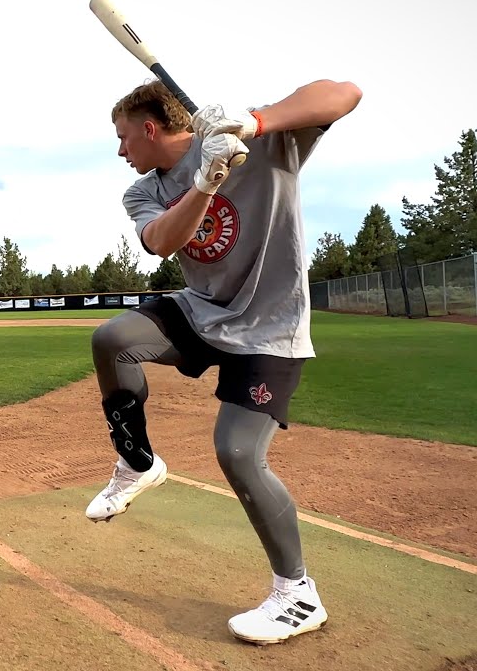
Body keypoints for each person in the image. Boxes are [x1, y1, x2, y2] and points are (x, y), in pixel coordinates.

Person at [87, 77, 362, 645]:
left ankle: (297, 594)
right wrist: (208, 182)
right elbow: (163, 241)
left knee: (237, 453)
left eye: (122, 138)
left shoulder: (260, 144)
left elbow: (345, 92)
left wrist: (254, 122)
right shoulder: (143, 191)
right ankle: (137, 463)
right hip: (203, 311)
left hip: (270, 328)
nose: (120, 152)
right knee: (112, 339)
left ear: (150, 127)